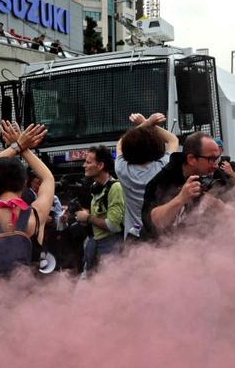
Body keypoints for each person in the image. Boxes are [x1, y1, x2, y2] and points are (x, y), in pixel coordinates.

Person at [0, 121, 53, 277]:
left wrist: (16, 146)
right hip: (29, 297)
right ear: (23, 184)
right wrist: (24, 149)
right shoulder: (35, 216)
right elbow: (48, 178)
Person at [141, 132, 233, 240]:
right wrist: (181, 198)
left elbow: (232, 212)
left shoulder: (215, 174)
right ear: (191, 159)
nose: (215, 165)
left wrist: (219, 206)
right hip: (162, 251)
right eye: (211, 159)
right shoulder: (162, 181)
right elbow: (154, 221)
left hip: (199, 248)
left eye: (217, 158)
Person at [115, 112, 179, 241]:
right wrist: (151, 124)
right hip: (161, 237)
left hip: (134, 238)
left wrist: (146, 123)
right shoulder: (163, 167)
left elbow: (121, 143)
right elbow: (173, 140)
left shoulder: (122, 169)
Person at [73, 145, 125, 273]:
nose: (84, 165)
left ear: (100, 166)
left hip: (110, 247)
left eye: (88, 162)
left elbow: (113, 225)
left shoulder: (115, 188)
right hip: (93, 244)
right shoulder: (95, 187)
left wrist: (88, 218)